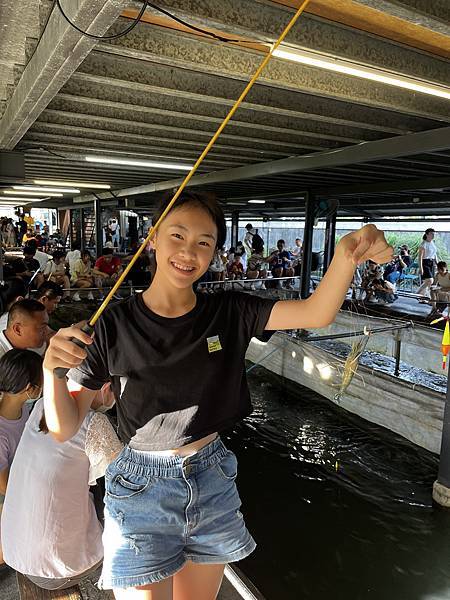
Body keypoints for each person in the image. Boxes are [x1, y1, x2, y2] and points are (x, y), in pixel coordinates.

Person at [43, 191, 391, 599]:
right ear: (152, 238)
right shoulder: (110, 327)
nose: (189, 252)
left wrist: (348, 252)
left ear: (214, 252)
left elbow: (316, 312)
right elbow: (63, 427)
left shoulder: (230, 311)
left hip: (212, 477)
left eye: (204, 242)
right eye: (177, 236)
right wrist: (51, 371)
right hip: (141, 487)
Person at [2, 383, 122, 590]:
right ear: (106, 386)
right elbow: (123, 478)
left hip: (16, 554)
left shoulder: (41, 405)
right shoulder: (94, 421)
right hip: (64, 569)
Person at [0, 349, 43, 564]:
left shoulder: (22, 409)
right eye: (41, 383)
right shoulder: (1, 434)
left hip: (20, 478)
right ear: (29, 389)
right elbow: (4, 486)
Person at [417, 228, 438, 301]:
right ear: (427, 234)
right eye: (431, 234)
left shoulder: (432, 242)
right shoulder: (423, 244)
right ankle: (417, 293)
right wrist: (421, 268)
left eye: (433, 234)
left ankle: (422, 298)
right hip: (425, 262)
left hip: (431, 263)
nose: (433, 235)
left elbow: (435, 254)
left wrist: (437, 264)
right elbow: (420, 257)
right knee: (430, 280)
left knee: (427, 282)